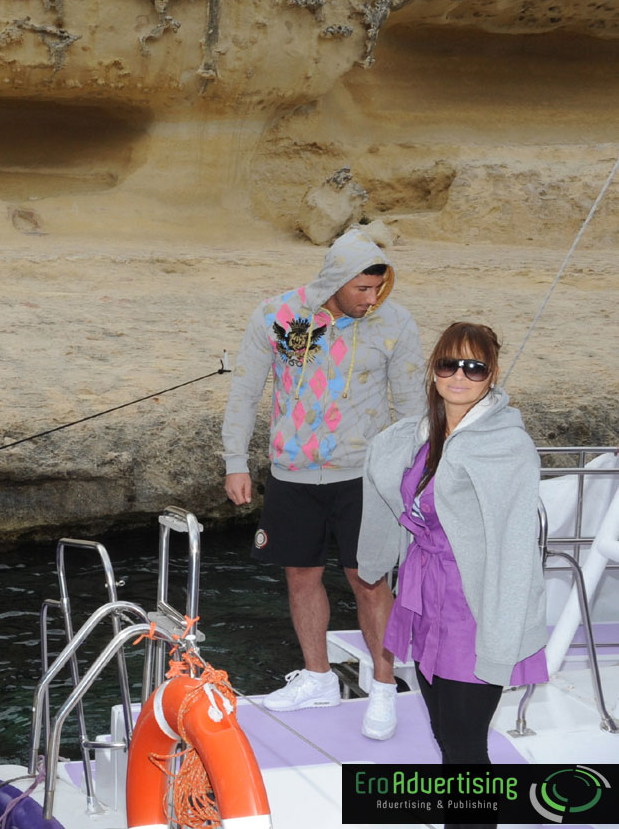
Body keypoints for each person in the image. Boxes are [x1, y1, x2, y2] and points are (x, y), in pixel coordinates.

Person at [221, 227, 424, 739]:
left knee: (370, 581)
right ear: (335, 279)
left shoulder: (395, 323)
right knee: (300, 576)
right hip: (293, 473)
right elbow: (245, 390)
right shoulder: (276, 315)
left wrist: (417, 474)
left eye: (378, 288)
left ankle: (383, 688)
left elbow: (414, 408)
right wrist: (235, 461)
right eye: (363, 288)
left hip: (366, 476)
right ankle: (318, 678)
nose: (372, 299)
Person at [357, 323, 547, 787]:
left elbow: (518, 546)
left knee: (466, 748)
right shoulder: (414, 436)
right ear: (434, 370)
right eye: (448, 364)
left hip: (477, 610)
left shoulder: (508, 446)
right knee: (445, 739)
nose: (459, 376)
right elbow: (390, 490)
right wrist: (376, 558)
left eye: (474, 367)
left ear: (492, 374)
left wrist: (505, 633)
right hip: (424, 602)